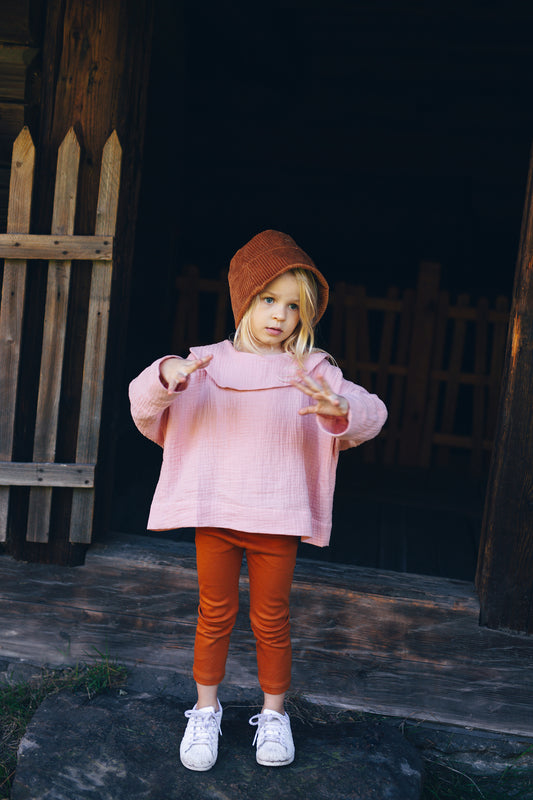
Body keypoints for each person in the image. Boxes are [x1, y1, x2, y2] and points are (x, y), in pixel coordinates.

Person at [129, 229, 387, 772]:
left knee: (272, 618)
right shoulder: (205, 363)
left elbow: (372, 414)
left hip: (276, 517)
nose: (280, 315)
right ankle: (205, 711)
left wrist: (340, 404)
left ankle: (274, 715)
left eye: (294, 306)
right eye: (269, 299)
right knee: (213, 615)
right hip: (217, 514)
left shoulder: (312, 370)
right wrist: (165, 375)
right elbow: (142, 406)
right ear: (245, 298)